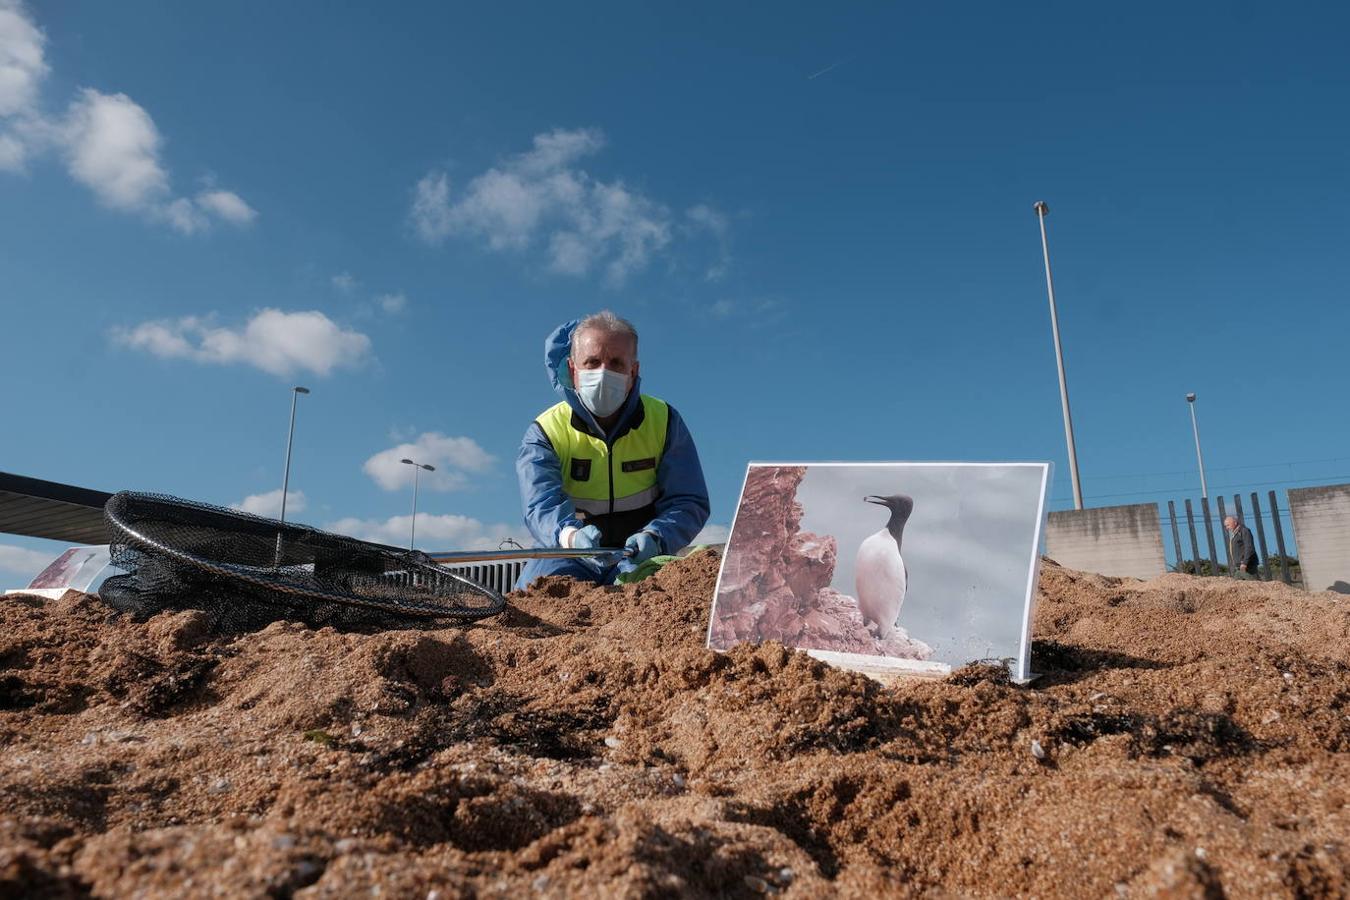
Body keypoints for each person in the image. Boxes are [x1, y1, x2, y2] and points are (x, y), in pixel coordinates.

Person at [514, 312, 710, 588]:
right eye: (592, 362)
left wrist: (658, 536)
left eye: (616, 363)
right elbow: (540, 505)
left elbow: (689, 501)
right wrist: (570, 537)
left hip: (640, 555)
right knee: (538, 592)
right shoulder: (545, 431)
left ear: (633, 371)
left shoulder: (665, 421)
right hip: (568, 554)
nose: (603, 372)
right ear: (572, 369)